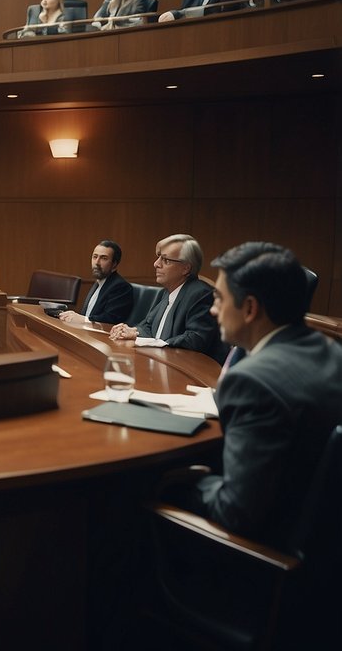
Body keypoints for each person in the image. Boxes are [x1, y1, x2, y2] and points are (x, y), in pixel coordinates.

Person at [167, 241, 342, 552]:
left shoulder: (252, 381)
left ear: (250, 309)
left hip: (263, 559)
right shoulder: (332, 352)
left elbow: (235, 513)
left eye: (219, 298)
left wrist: (186, 480)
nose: (212, 309)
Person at [109, 234, 225, 362]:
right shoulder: (167, 292)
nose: (156, 264)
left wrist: (155, 342)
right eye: (158, 258)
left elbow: (196, 339)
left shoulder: (200, 294)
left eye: (166, 260)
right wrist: (133, 331)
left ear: (186, 268)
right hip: (160, 364)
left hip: (187, 371)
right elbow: (149, 325)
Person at [59, 239, 133, 325]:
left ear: (114, 264)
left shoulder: (121, 287)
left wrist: (83, 319)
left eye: (103, 258)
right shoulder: (99, 282)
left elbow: (111, 319)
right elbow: (88, 314)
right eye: (95, 257)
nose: (97, 262)